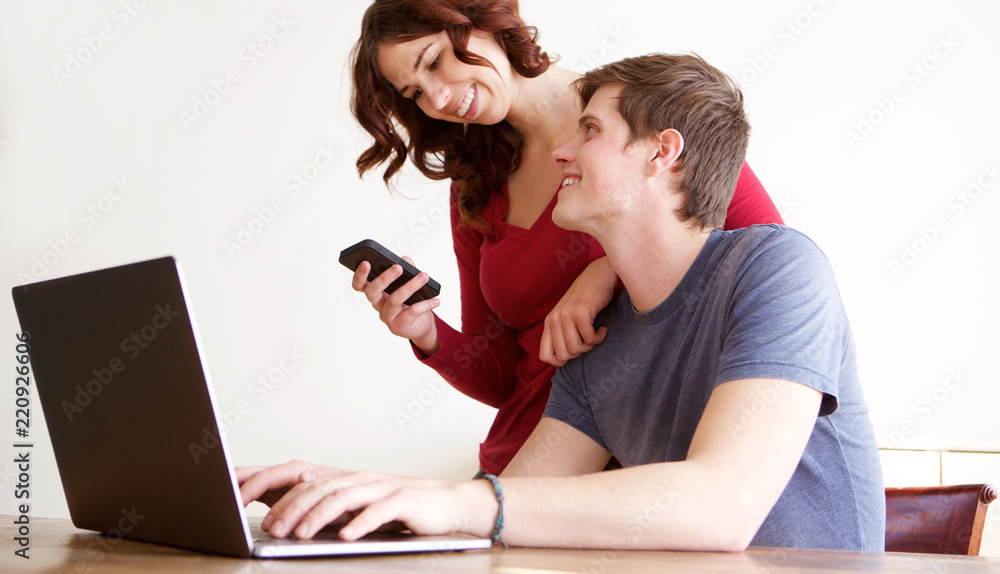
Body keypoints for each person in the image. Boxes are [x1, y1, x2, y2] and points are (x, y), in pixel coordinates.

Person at [238, 53, 884, 551]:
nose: (559, 151)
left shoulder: (780, 268)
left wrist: (456, 503)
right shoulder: (594, 338)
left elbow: (722, 505)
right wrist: (350, 494)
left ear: (663, 151)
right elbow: (509, 506)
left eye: (591, 130)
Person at [348, 0, 784, 476]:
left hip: (640, 472)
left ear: (482, 20)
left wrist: (606, 271)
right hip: (521, 469)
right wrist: (428, 333)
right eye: (415, 93)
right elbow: (509, 377)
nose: (438, 97)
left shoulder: (642, 112)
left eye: (436, 61)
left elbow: (770, 262)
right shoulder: (476, 182)